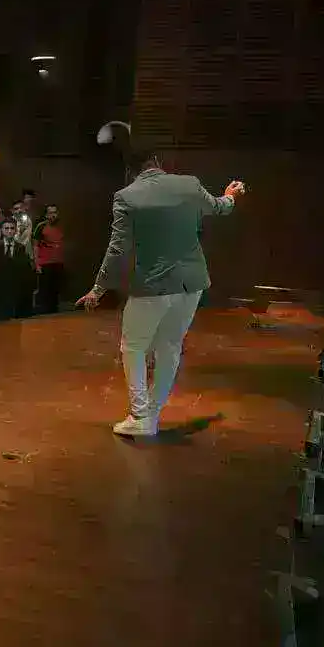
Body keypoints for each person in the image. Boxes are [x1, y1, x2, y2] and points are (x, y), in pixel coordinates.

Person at [76, 152, 245, 437]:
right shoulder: (189, 184)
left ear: (132, 171)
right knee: (169, 346)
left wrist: (98, 288)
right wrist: (230, 195)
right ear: (158, 162)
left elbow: (118, 250)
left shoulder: (127, 196)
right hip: (192, 283)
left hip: (153, 285)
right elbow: (219, 207)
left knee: (134, 347)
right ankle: (152, 413)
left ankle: (141, 416)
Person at [33, 204, 65, 314]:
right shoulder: (41, 226)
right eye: (50, 213)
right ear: (46, 215)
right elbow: (35, 245)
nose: (53, 215)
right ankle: (45, 313)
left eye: (55, 212)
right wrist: (37, 263)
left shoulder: (61, 227)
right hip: (45, 263)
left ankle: (55, 312)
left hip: (58, 263)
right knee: (45, 291)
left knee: (56, 290)